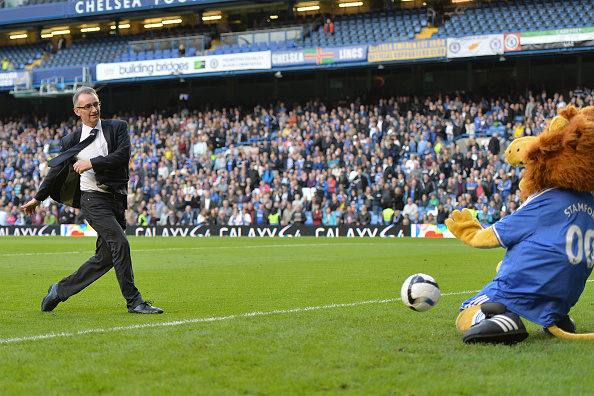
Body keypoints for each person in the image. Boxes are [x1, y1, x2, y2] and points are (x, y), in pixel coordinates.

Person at [21, 86, 163, 315]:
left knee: (106, 257)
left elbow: (122, 156)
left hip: (117, 200)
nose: (93, 109)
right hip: (92, 199)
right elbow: (55, 171)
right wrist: (38, 198)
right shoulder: (71, 140)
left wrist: (92, 163)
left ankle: (59, 290)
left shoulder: (117, 127)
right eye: (87, 106)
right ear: (77, 111)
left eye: (96, 104)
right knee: (120, 243)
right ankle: (135, 302)